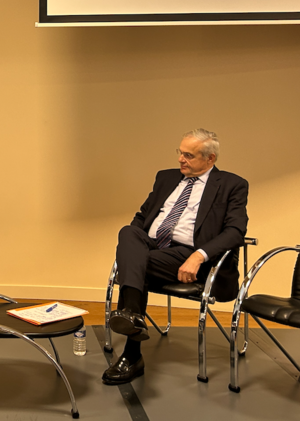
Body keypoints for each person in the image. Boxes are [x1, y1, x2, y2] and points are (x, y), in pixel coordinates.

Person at [103, 129, 248, 385]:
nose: (181, 159)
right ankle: (132, 315)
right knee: (128, 232)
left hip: (187, 254)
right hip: (153, 246)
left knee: (136, 266)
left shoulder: (232, 185)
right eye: (180, 153)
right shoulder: (166, 178)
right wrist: (133, 245)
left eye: (189, 155)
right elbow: (143, 216)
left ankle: (131, 351)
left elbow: (236, 231)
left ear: (210, 159)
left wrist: (199, 256)